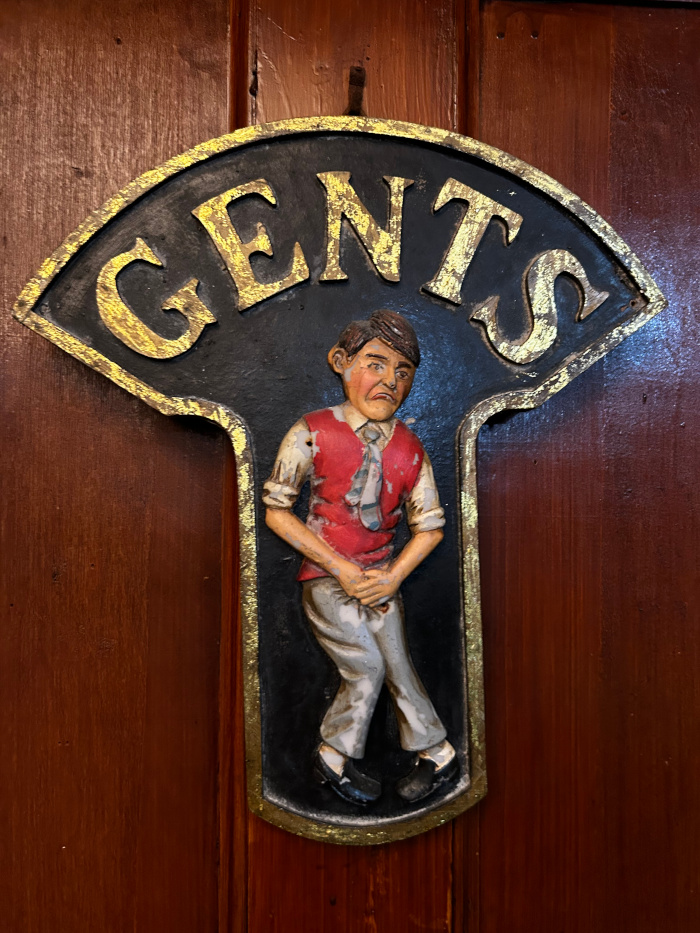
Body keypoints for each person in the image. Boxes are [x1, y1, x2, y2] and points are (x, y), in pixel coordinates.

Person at [263, 309, 457, 805]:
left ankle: (437, 754)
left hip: (381, 580)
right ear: (340, 362)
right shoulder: (312, 432)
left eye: (402, 371)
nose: (389, 381)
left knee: (397, 664)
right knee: (365, 666)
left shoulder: (411, 450)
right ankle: (333, 757)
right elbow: (278, 513)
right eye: (375, 363)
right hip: (329, 578)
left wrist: (392, 577)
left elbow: (429, 528)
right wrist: (343, 569)